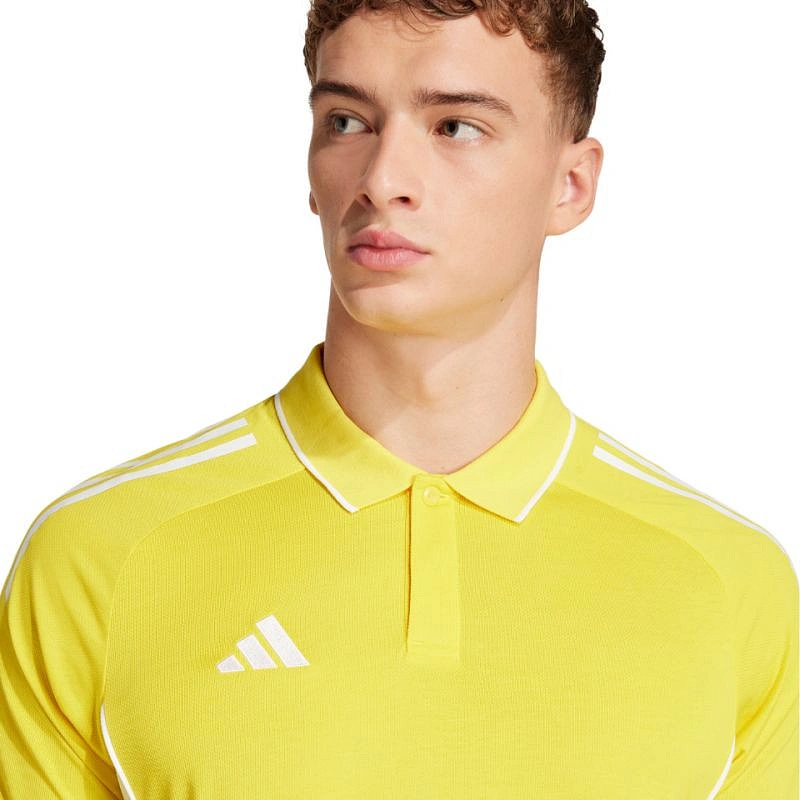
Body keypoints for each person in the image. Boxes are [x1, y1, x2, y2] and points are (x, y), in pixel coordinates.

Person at [1, 0, 796, 796]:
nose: (382, 181)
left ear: (572, 184)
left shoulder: (729, 585)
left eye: (456, 127)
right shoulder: (101, 557)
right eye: (347, 122)